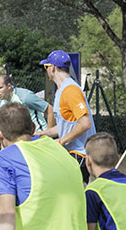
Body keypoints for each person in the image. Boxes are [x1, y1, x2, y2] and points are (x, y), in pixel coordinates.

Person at [37, 50, 93, 178]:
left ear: (52, 68)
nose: (46, 71)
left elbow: (85, 123)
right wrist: (43, 133)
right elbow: (66, 126)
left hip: (79, 154)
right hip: (73, 154)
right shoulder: (62, 91)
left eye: (46, 67)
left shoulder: (70, 90)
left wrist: (61, 141)